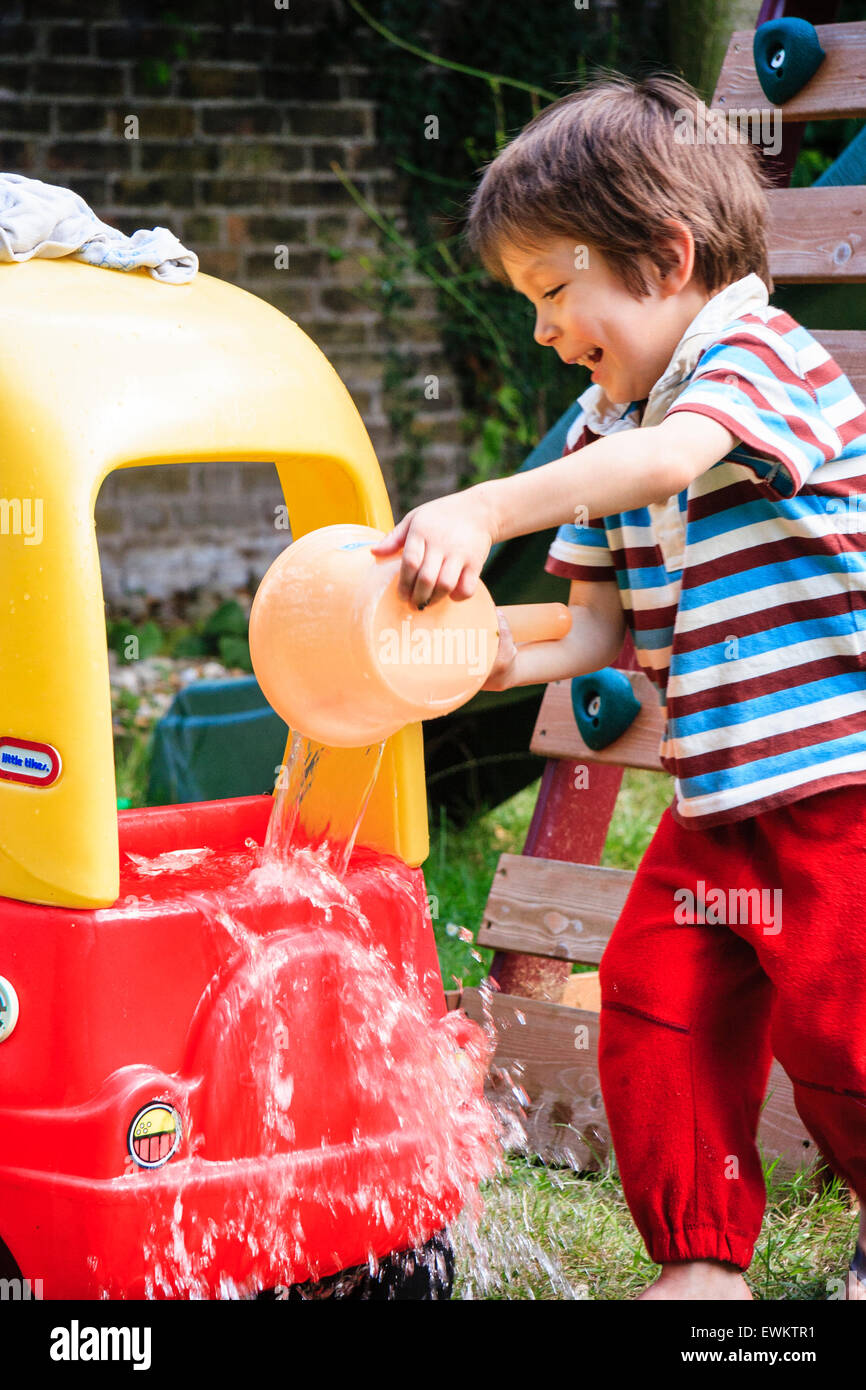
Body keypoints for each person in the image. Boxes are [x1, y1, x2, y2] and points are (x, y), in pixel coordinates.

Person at [372, 70, 866, 1301]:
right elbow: (592, 623)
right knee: (657, 998)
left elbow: (674, 458)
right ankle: (698, 1258)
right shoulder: (606, 426)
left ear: (661, 255)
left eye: (553, 290)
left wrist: (485, 502)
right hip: (718, 799)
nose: (540, 328)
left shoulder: (758, 356)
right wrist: (485, 658)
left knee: (837, 1024)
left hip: (840, 785)